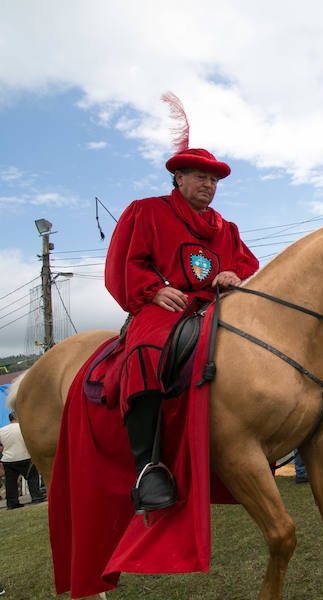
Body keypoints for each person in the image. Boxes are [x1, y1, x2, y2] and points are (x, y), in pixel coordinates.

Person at [103, 140, 259, 513]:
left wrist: (233, 274)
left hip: (212, 305)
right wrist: (153, 291)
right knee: (145, 353)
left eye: (214, 180)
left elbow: (247, 265)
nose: (209, 185)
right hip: (164, 305)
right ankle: (149, 469)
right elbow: (127, 262)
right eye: (201, 178)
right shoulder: (146, 211)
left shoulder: (227, 228)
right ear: (179, 178)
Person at [0, 412, 46, 509]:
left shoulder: (2, 430)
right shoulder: (24, 428)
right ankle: (36, 496)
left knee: (10, 482)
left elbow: (1, 447)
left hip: (8, 459)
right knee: (32, 477)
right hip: (24, 457)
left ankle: (12, 503)